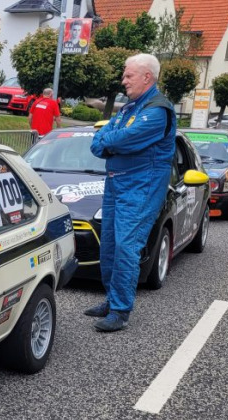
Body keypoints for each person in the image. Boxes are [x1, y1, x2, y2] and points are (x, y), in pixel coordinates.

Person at [86, 53, 176, 332]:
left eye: (128, 75)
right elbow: (99, 142)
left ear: (147, 77)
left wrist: (109, 142)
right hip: (117, 184)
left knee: (126, 246)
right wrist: (109, 142)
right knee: (110, 243)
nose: (123, 80)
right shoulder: (130, 108)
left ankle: (121, 311)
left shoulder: (157, 110)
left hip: (141, 187)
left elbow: (123, 139)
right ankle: (112, 300)